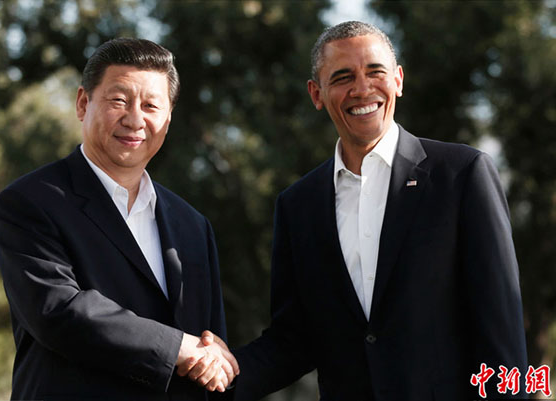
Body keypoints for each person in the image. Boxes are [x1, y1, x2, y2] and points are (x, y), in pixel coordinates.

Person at [184, 21, 528, 400]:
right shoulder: (298, 205)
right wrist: (225, 370)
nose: (362, 89)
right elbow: (293, 340)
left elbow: (501, 330)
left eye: (375, 71)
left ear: (397, 79)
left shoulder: (462, 174)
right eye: (343, 76)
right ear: (317, 94)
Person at [0, 38, 238, 400]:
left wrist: (215, 359)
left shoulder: (192, 225)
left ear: (168, 118)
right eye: (119, 101)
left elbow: (210, 343)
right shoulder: (31, 201)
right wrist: (178, 348)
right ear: (83, 103)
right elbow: (58, 312)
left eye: (151, 105)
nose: (135, 119)